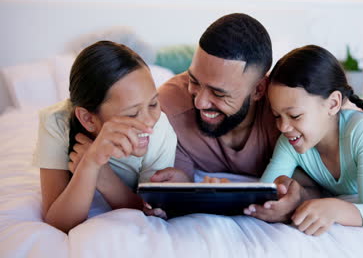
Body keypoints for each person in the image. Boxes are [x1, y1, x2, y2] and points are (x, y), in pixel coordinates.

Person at [244, 45, 363, 236]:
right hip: (344, 123)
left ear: (334, 103)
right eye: (277, 116)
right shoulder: (289, 141)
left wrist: (334, 208)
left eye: (294, 116)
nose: (282, 127)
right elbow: (264, 192)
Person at [34, 41, 178, 233]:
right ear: (88, 119)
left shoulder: (160, 131)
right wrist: (90, 164)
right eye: (131, 114)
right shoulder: (57, 122)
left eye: (153, 104)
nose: (148, 122)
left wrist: (103, 176)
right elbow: (58, 223)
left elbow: (148, 212)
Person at [154, 13, 280, 182]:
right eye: (194, 81)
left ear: (258, 89)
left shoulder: (285, 114)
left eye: (218, 93)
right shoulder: (166, 108)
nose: (199, 102)